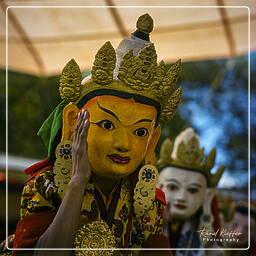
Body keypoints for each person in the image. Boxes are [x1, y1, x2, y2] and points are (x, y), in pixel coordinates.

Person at [10, 14, 182, 256]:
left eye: (140, 131)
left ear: (152, 139)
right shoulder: (45, 184)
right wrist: (77, 182)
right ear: (73, 122)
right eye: (108, 125)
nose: (124, 144)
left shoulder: (149, 203)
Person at [157, 128, 225, 256]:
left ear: (207, 195)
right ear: (158, 186)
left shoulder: (203, 229)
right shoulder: (140, 225)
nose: (181, 197)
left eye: (193, 190)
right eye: (172, 187)